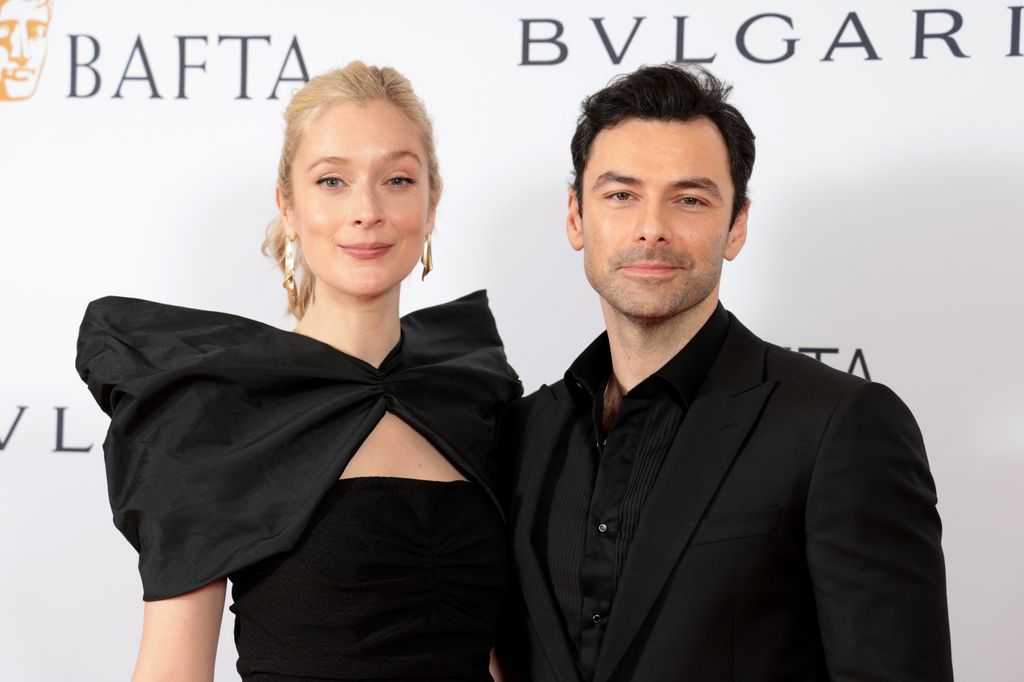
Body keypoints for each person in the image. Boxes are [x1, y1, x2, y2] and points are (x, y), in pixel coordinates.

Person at [498, 65, 953, 681]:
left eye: (689, 199)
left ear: (736, 224)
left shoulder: (835, 427)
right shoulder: (523, 432)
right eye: (621, 195)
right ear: (577, 217)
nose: (651, 227)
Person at [76, 61, 521, 681]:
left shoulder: (477, 398)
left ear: (430, 202)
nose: (366, 210)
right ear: (288, 206)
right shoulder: (215, 410)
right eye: (332, 181)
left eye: (396, 178)